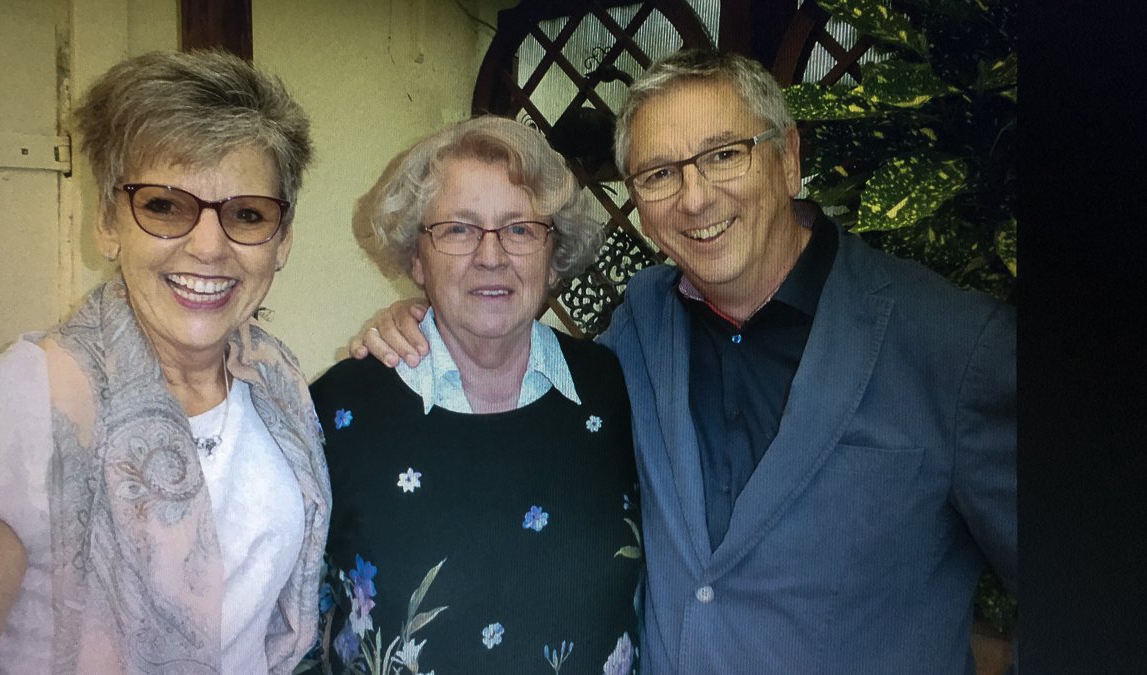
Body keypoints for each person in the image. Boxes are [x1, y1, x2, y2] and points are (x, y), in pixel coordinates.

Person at [351, 50, 1016, 674]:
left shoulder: (956, 344)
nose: (694, 198)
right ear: (640, 204)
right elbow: (516, 380)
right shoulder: (637, 330)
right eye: (660, 174)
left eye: (724, 155)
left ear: (788, 159)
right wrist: (429, 322)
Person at [0, 50, 330, 674]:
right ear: (107, 223)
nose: (209, 247)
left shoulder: (276, 381)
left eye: (247, 214)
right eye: (164, 206)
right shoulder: (17, 407)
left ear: (282, 240)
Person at [307, 116, 641, 675]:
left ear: (554, 254)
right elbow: (288, 631)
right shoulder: (338, 411)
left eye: (520, 229)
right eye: (459, 229)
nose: (491, 256)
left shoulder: (614, 390)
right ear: (417, 257)